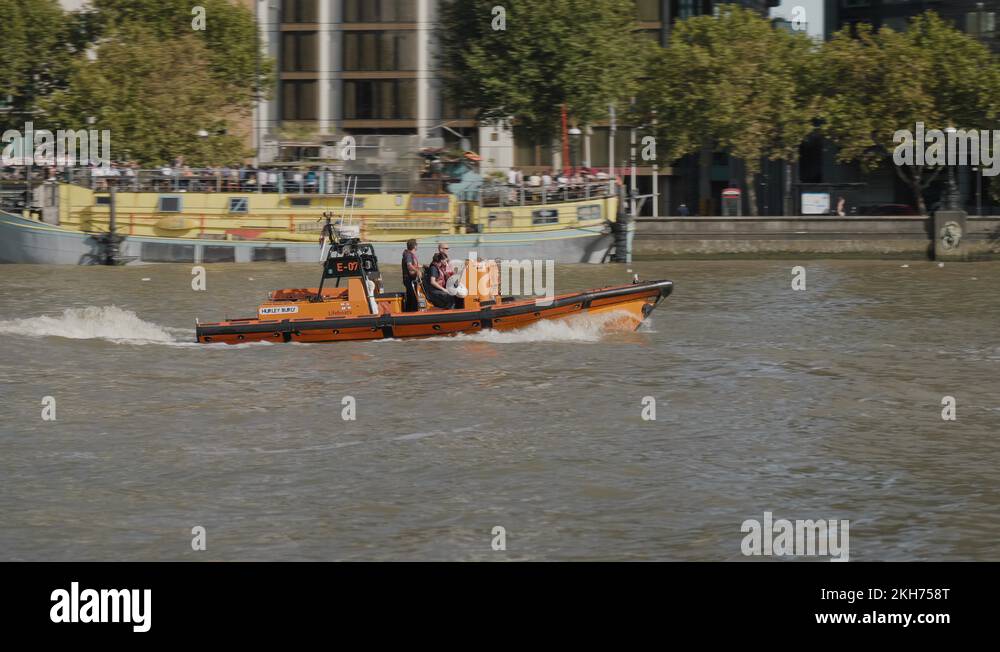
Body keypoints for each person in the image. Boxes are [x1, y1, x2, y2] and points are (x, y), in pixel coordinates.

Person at [402, 239, 420, 312]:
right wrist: (417, 271)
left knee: (411, 295)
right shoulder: (408, 255)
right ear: (414, 246)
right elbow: (409, 265)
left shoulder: (408, 254)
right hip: (409, 279)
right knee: (413, 296)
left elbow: (413, 265)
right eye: (416, 245)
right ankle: (412, 311)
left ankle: (409, 310)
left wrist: (423, 266)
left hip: (410, 278)